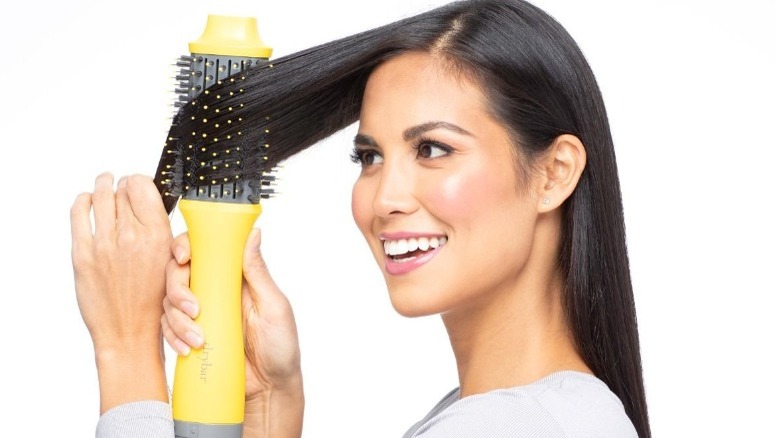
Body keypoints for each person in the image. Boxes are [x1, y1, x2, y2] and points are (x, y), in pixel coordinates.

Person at [72, 0, 651, 436]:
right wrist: (270, 404)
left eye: (432, 149)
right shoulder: (536, 414)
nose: (385, 198)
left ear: (554, 173)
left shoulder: (513, 426)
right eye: (370, 157)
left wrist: (124, 350)